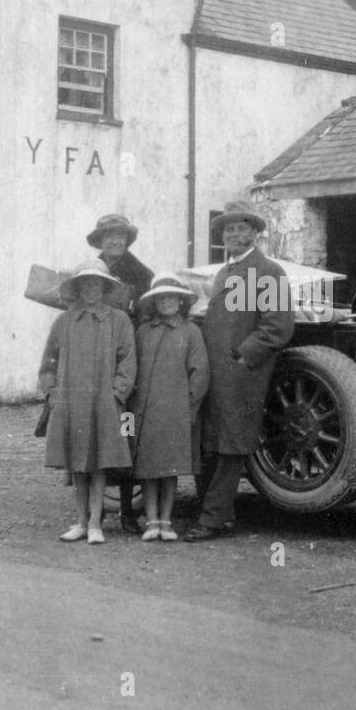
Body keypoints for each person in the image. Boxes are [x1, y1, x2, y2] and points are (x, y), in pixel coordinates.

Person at [182, 202, 294, 542]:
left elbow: (277, 328)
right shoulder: (223, 273)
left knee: (232, 445)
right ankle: (222, 514)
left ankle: (212, 519)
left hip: (242, 374)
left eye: (241, 228)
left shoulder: (269, 272)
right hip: (212, 373)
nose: (233, 233)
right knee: (208, 442)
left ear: (255, 234)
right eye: (228, 229)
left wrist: (242, 359)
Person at [38, 259, 136, 545]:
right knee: (77, 465)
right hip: (71, 402)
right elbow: (48, 363)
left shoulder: (119, 321)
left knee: (99, 464)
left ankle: (96, 524)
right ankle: (81, 521)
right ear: (78, 288)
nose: (91, 289)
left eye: (96, 284)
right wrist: (53, 393)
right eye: (86, 284)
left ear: (104, 288)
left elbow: (128, 362)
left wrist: (117, 393)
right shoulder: (65, 321)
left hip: (105, 402)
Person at [129, 273, 210, 542]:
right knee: (149, 468)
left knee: (170, 469)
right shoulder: (143, 331)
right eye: (161, 298)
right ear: (154, 302)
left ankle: (166, 520)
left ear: (181, 301)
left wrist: (190, 407)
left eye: (172, 297)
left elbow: (200, 374)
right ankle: (151, 520)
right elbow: (133, 369)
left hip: (177, 411)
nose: (167, 302)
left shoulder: (191, 332)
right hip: (146, 410)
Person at [86, 213, 153, 534]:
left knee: (126, 434)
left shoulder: (141, 275)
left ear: (127, 240)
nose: (114, 241)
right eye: (108, 236)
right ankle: (91, 512)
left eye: (120, 236)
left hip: (127, 366)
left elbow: (147, 317)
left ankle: (128, 511)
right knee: (91, 436)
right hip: (92, 368)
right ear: (100, 241)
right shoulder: (88, 272)